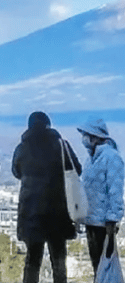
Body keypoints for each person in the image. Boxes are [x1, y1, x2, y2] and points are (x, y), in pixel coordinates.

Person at [12, 111, 82, 283]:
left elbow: (16, 172)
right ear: (49, 125)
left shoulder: (22, 148)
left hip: (31, 210)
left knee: (32, 260)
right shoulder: (61, 146)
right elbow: (76, 169)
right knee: (58, 260)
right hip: (57, 210)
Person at [78, 118, 125, 276]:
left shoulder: (111, 157)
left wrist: (112, 218)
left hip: (104, 223)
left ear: (95, 136)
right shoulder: (89, 160)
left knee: (105, 267)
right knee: (97, 267)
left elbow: (115, 190)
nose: (84, 138)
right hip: (91, 220)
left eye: (86, 134)